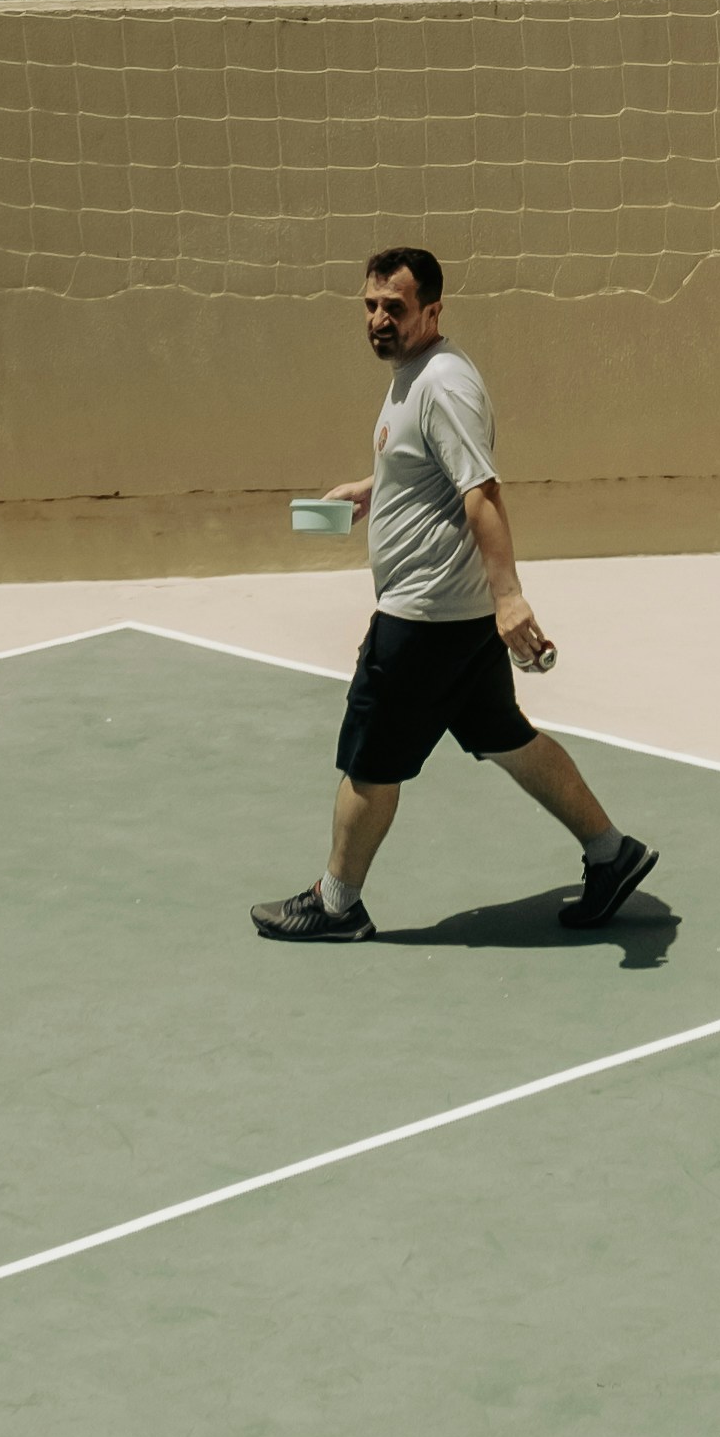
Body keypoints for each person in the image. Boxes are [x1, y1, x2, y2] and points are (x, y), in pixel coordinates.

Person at [260, 247, 655, 944]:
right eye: (371, 306)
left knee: (369, 760)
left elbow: (482, 491)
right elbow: (434, 470)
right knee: (507, 738)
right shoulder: (412, 377)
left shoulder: (442, 382)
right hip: (454, 620)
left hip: (425, 617)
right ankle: (611, 851)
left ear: (433, 310)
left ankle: (336, 903)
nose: (380, 319)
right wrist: (373, 490)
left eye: (397, 308)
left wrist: (510, 599)